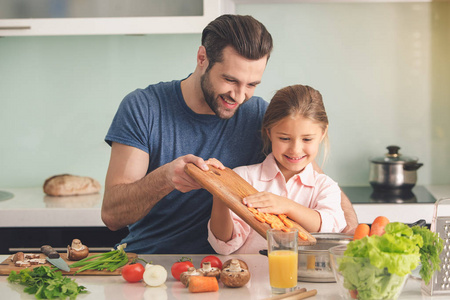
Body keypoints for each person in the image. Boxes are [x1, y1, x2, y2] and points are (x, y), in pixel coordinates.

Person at [101, 14, 357, 254]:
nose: (239, 95)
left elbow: (310, 173)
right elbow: (112, 216)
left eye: (252, 85)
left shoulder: (257, 114)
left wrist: (352, 228)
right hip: (152, 259)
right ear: (202, 58)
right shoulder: (144, 107)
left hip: (229, 269)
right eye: (230, 80)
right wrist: (167, 178)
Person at [208, 84, 347, 254]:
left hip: (302, 279)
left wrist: (288, 206)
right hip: (251, 277)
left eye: (307, 139)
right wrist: (219, 193)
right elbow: (224, 245)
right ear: (269, 133)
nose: (295, 149)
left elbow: (332, 227)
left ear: (322, 133)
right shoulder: (243, 178)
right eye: (284, 138)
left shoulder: (325, 186)